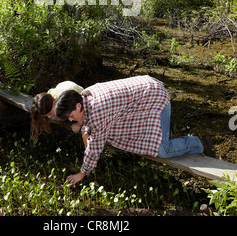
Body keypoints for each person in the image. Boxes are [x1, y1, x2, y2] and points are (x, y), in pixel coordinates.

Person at [55, 75, 213, 185]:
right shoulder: (84, 95)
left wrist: (82, 173)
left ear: (78, 105)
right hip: (140, 98)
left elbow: (94, 149)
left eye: (70, 116)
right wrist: (80, 122)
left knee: (163, 150)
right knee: (115, 132)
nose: (70, 120)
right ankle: (166, 128)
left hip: (155, 96)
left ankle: (200, 143)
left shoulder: (97, 112)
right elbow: (90, 125)